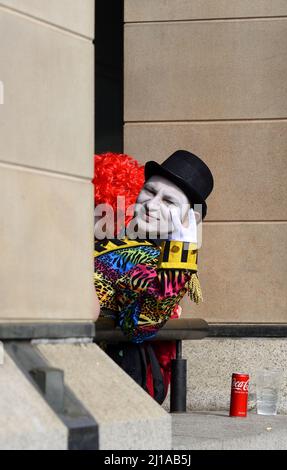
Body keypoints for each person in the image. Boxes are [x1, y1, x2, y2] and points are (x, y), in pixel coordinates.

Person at [93, 150, 214, 400]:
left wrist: (182, 250)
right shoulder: (110, 237)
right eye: (149, 191)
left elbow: (141, 324)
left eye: (169, 201)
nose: (152, 204)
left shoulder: (155, 260)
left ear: (189, 218)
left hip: (105, 377)